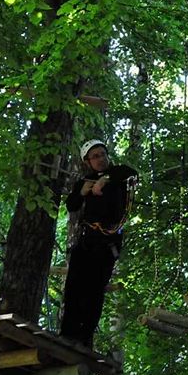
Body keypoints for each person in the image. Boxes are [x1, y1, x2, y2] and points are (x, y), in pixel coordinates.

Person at [60, 139, 138, 348]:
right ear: (87, 162)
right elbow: (72, 205)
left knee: (94, 291)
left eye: (103, 154)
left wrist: (106, 179)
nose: (101, 159)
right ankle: (67, 334)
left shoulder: (119, 174)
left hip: (107, 243)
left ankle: (85, 338)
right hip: (87, 240)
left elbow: (132, 173)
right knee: (74, 287)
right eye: (95, 156)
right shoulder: (84, 182)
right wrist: (82, 192)